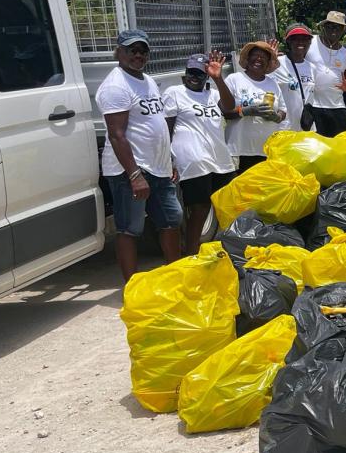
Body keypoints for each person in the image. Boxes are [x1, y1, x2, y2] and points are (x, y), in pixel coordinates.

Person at [96, 29, 182, 280]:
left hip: (158, 167)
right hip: (130, 170)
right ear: (118, 51)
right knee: (130, 228)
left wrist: (168, 161)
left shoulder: (147, 80)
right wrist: (134, 175)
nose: (138, 55)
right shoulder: (115, 86)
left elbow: (155, 124)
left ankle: (176, 278)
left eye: (143, 50)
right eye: (132, 50)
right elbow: (116, 135)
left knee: (171, 219)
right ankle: (132, 287)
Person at [163, 51, 236, 254]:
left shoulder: (212, 94)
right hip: (193, 162)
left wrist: (218, 78)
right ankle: (191, 255)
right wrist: (168, 159)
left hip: (220, 160)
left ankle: (223, 252)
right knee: (199, 210)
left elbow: (230, 107)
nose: (194, 77)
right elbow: (166, 128)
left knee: (227, 208)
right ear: (185, 73)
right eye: (191, 72)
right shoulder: (174, 92)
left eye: (199, 74)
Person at [224, 40, 288, 172]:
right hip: (240, 149)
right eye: (255, 55)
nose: (259, 59)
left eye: (264, 57)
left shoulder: (272, 83)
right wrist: (247, 111)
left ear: (268, 63)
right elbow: (225, 112)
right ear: (247, 59)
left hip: (265, 151)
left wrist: (276, 116)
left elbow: (283, 110)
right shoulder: (234, 79)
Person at [305, 10, 346, 136]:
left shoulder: (345, 53)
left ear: (343, 30)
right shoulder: (310, 42)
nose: (334, 30)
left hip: (337, 108)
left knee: (337, 150)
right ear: (324, 27)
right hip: (312, 106)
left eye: (338, 27)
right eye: (330, 26)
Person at [272, 23, 316, 132]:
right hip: (284, 127)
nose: (300, 42)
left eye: (305, 39)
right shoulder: (278, 64)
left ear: (309, 42)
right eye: (295, 39)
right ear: (289, 42)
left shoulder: (312, 68)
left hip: (306, 127)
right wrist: (270, 61)